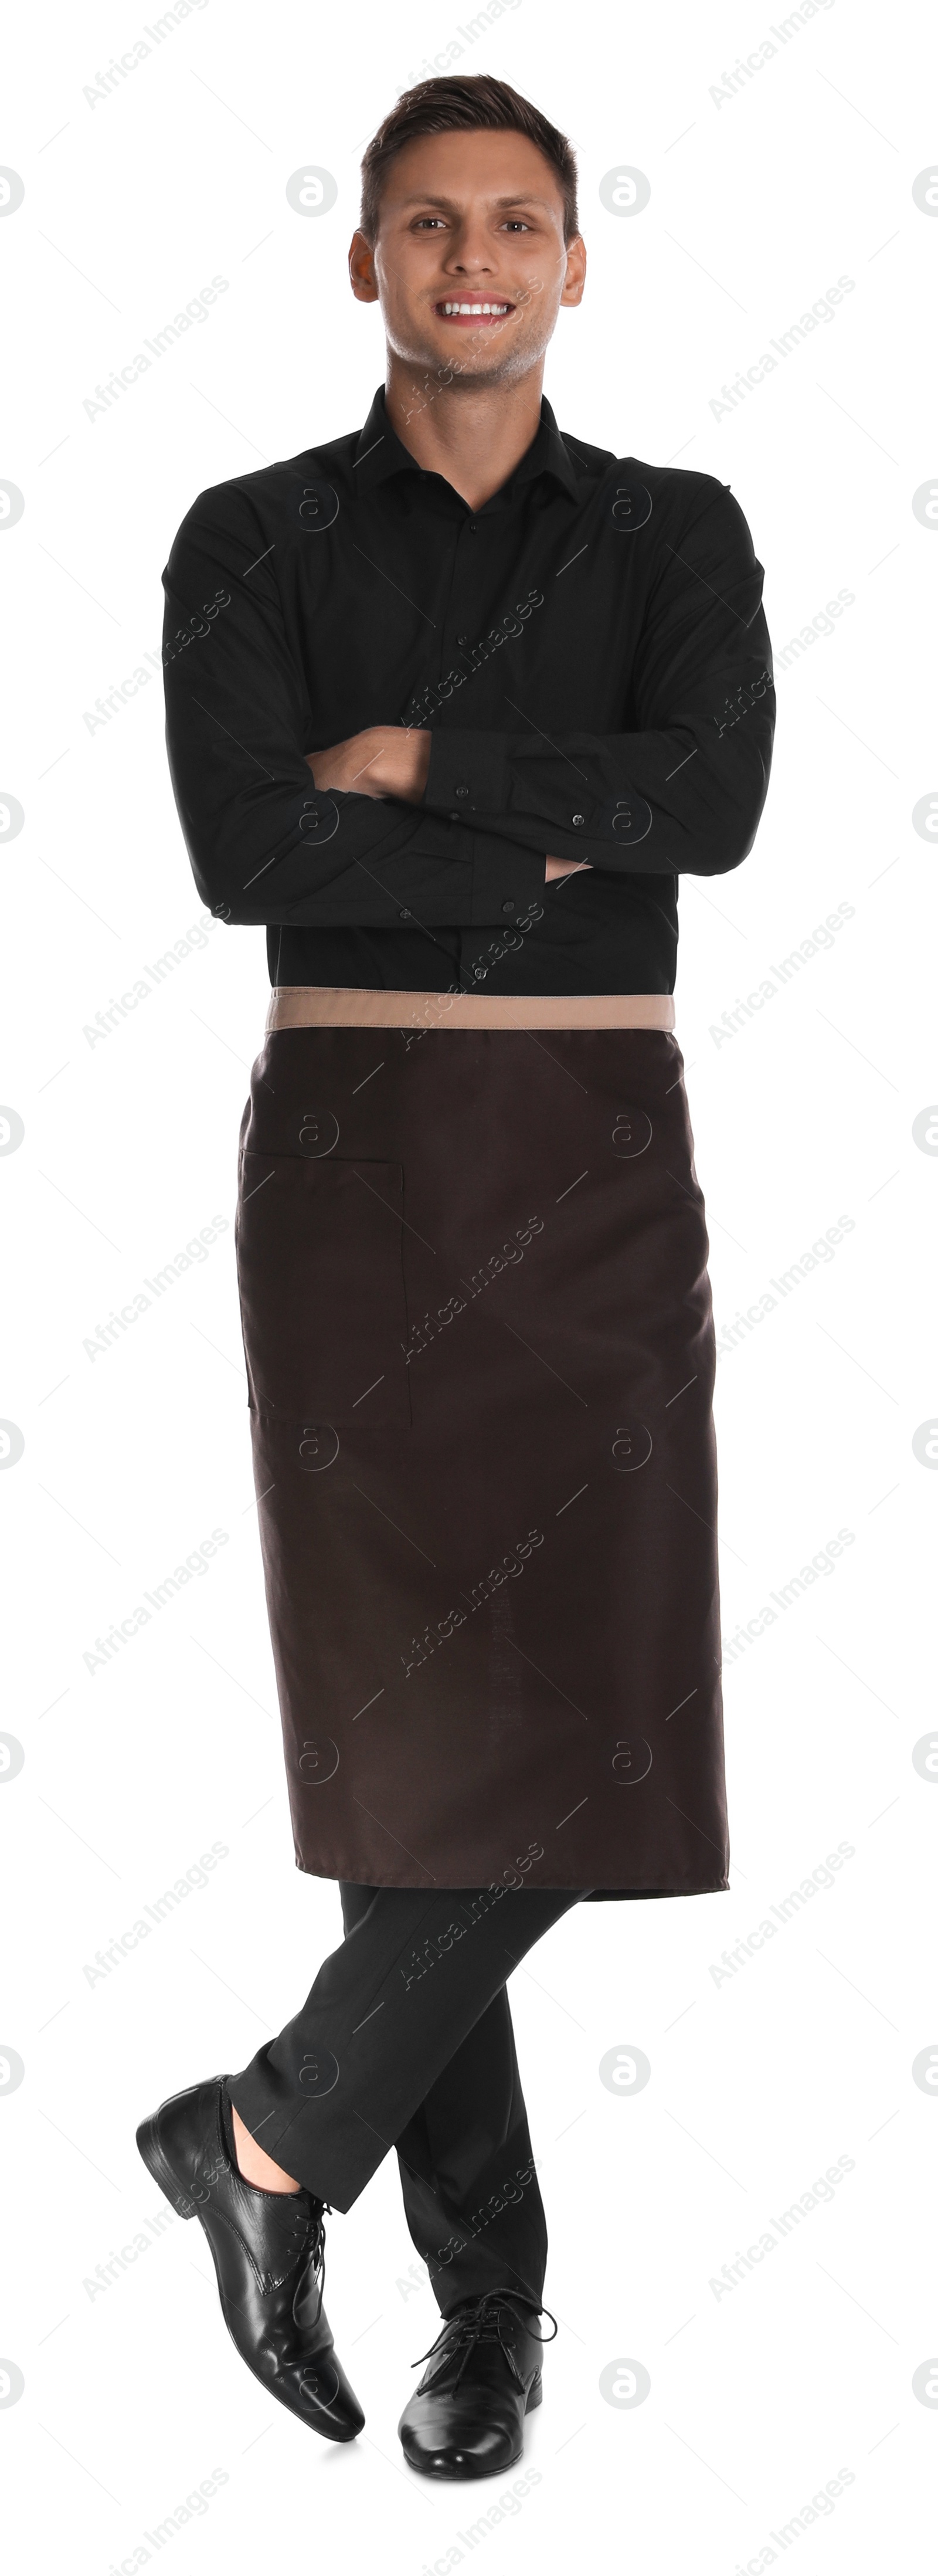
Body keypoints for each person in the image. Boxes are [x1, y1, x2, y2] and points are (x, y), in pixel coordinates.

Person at [137, 72, 775, 2481]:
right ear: (367, 262)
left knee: (594, 1722)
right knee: (421, 1741)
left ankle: (271, 2137)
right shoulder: (251, 538)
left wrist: (418, 763)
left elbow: (710, 807)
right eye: (428, 225)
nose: (472, 260)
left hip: (599, 1152)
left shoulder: (677, 530)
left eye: (515, 224)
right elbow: (238, 849)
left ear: (574, 264)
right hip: (358, 1151)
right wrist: (532, 833)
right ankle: (485, 2317)